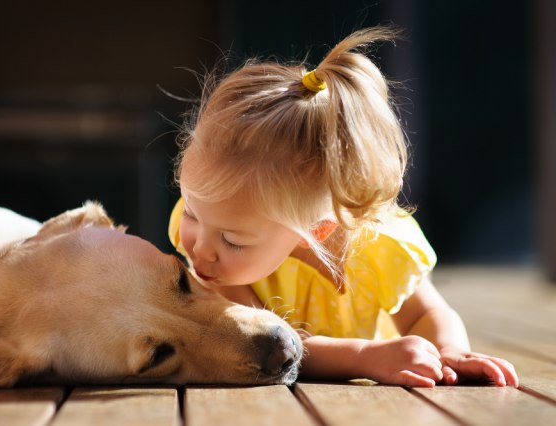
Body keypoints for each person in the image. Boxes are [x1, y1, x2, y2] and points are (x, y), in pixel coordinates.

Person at [167, 27, 518, 387]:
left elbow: (427, 313)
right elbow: (270, 347)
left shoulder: (382, 247)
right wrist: (365, 357)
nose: (199, 248)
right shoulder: (221, 270)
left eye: (232, 239)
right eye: (192, 212)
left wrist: (450, 352)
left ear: (315, 230)